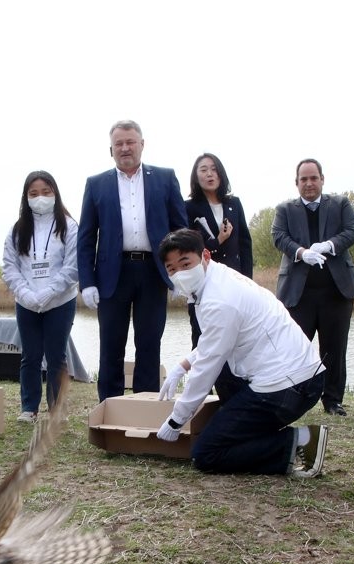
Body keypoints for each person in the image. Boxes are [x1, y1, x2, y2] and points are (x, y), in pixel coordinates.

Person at [155, 229, 328, 477]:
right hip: (298, 377)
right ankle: (244, 426)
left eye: (185, 263)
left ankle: (298, 441)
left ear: (204, 255)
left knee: (207, 453)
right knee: (224, 375)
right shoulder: (218, 277)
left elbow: (207, 367)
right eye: (172, 269)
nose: (180, 274)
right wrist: (183, 365)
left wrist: (176, 420)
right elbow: (214, 340)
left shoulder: (219, 299)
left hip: (288, 389)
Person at [77, 119, 188, 401]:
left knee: (149, 344)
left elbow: (180, 229)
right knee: (110, 346)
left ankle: (145, 406)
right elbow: (87, 237)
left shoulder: (165, 178)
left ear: (142, 144)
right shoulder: (96, 184)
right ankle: (110, 408)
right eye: (119, 144)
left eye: (130, 142)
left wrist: (179, 275)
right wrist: (87, 282)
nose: (125, 148)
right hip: (112, 274)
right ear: (111, 149)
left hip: (154, 272)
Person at [271, 158, 354, 417]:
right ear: (296, 183)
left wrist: (329, 245)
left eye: (314, 178)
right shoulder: (285, 210)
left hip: (336, 291)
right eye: (304, 179)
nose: (309, 183)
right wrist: (301, 252)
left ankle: (332, 401)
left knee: (334, 349)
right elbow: (278, 236)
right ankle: (291, 399)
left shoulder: (340, 204)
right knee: (294, 348)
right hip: (298, 293)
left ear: (322, 179)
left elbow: (353, 231)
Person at [2, 171, 78, 423]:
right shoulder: (17, 229)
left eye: (46, 192)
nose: (40, 198)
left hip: (60, 301)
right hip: (26, 302)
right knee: (30, 355)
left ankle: (56, 409)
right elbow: (9, 267)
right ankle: (29, 408)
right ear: (26, 198)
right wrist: (25, 293)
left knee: (56, 355)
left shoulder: (68, 226)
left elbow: (73, 266)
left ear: (55, 193)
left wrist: (48, 292)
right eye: (33, 194)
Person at [184, 152, 253, 347]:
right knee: (202, 341)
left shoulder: (234, 204)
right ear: (196, 177)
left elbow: (245, 245)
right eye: (203, 170)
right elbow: (188, 249)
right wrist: (217, 241)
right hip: (203, 283)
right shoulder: (188, 207)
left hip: (233, 281)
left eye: (214, 169)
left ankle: (234, 379)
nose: (209, 174)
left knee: (237, 341)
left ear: (221, 174)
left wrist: (248, 282)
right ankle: (203, 378)